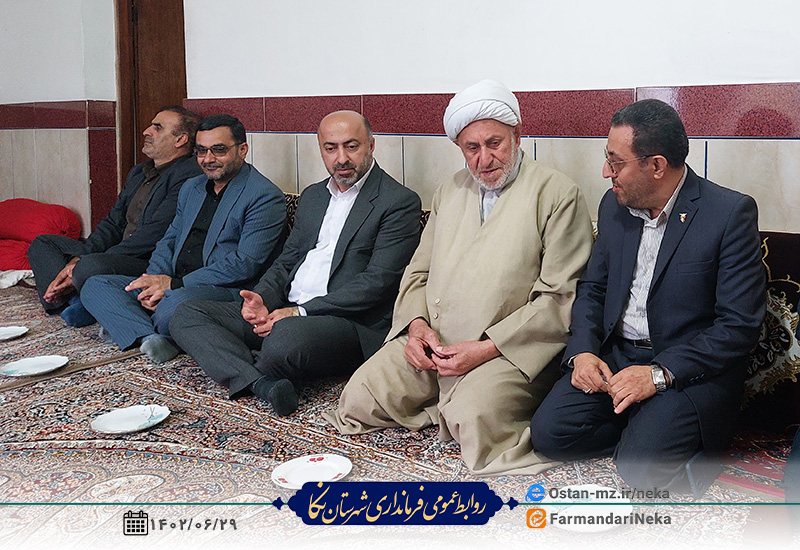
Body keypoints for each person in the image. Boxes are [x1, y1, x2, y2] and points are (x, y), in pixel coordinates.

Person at [324, 80, 594, 475]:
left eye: (494, 143)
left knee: (474, 419)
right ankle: (441, 402)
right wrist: (416, 329)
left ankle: (456, 403)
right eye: (472, 148)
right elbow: (418, 272)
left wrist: (484, 350)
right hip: (437, 346)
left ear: (517, 135)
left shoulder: (557, 194)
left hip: (507, 351)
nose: (484, 159)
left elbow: (559, 298)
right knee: (357, 398)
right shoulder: (449, 190)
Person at [530, 99, 766, 496]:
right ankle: (642, 429)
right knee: (550, 435)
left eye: (616, 162)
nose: (606, 172)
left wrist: (658, 375)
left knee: (639, 469)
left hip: (685, 369)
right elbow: (593, 288)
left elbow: (738, 326)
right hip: (618, 356)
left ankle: (653, 436)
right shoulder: (614, 205)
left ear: (656, 165)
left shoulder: (728, 214)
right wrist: (583, 351)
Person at [169, 110, 421, 416]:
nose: (341, 158)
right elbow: (286, 261)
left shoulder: (398, 202)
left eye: (351, 146)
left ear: (371, 145)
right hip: (286, 311)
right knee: (187, 314)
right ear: (321, 150)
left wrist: (299, 312)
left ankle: (240, 363)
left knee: (285, 339)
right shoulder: (314, 196)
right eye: (331, 148)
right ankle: (262, 382)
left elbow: (378, 283)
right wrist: (261, 300)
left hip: (345, 322)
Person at [80, 114, 286, 364]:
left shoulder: (263, 196)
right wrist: (152, 281)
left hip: (223, 290)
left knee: (173, 307)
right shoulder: (192, 188)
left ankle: (131, 325)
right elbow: (169, 240)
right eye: (201, 151)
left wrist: (174, 285)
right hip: (174, 283)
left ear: (242, 150)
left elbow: (244, 264)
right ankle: (152, 337)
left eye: (218, 150)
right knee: (96, 285)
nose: (208, 159)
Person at [27, 106, 203, 327]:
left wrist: (86, 261)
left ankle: (86, 301)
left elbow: (155, 234)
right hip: (117, 251)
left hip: (147, 259)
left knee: (89, 267)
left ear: (180, 140)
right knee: (43, 244)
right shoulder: (140, 172)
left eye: (157, 128)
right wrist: (81, 255)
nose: (146, 131)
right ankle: (72, 302)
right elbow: (113, 222)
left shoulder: (189, 175)